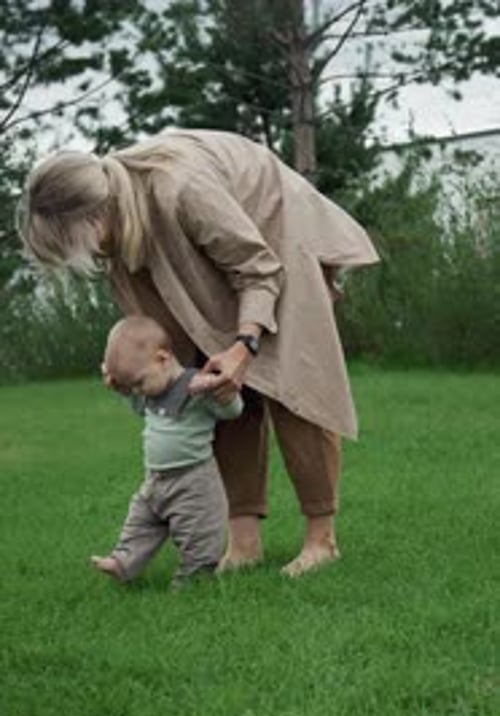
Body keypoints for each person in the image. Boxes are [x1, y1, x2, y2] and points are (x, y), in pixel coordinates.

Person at [18, 128, 379, 576]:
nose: (91, 258)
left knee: (294, 387)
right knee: (208, 385)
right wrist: (143, 373)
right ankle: (244, 542)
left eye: (79, 243)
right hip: (218, 251)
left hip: (275, 237)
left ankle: (321, 540)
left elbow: (259, 268)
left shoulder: (180, 188)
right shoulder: (119, 220)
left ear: (94, 215)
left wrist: (244, 344)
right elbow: (170, 359)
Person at [91, 314, 243, 587]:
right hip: (155, 480)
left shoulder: (196, 385)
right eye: (132, 387)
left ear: (162, 359)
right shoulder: (150, 391)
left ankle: (193, 581)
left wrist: (224, 393)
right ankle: (122, 562)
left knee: (200, 534)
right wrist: (124, 392)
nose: (138, 391)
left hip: (194, 480)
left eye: (138, 383)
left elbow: (233, 412)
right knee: (140, 523)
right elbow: (140, 409)